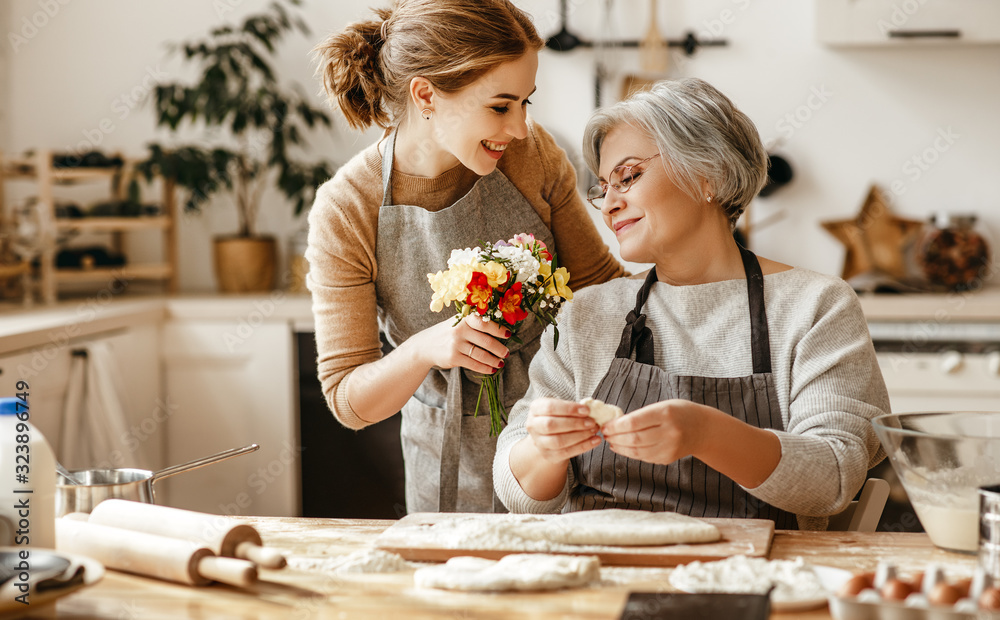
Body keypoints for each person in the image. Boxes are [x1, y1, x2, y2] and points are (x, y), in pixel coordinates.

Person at [493, 78, 889, 530]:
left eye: (629, 176)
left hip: (752, 576)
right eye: (604, 187)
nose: (609, 205)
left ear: (710, 175)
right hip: (597, 572)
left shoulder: (815, 306)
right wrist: (545, 450)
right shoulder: (586, 313)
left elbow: (834, 479)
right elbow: (518, 493)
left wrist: (706, 433)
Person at [307, 0, 624, 515]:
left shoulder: (530, 154)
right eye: (501, 106)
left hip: (559, 440)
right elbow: (349, 401)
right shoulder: (348, 207)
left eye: (526, 103)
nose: (520, 127)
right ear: (426, 94)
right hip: (447, 465)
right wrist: (423, 350)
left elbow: (601, 292)